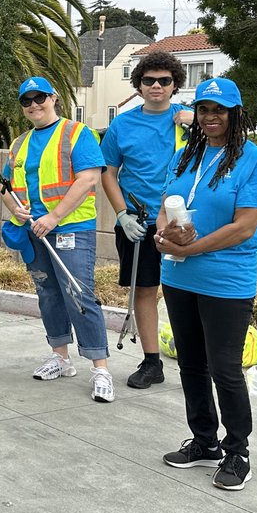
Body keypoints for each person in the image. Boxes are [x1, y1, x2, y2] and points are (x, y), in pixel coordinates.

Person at [155, 77, 257, 491]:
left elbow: (244, 226)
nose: (210, 118)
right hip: (179, 275)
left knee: (225, 368)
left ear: (235, 114)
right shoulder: (185, 156)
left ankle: (237, 451)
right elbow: (164, 207)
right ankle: (204, 441)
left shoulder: (255, 160)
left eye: (219, 110)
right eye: (204, 110)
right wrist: (163, 235)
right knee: (190, 363)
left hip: (226, 279)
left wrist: (193, 248)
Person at [2, 77, 114, 403]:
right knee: (47, 293)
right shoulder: (19, 144)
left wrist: (54, 217)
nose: (34, 105)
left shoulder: (77, 133)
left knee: (78, 294)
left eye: (40, 98)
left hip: (70, 229)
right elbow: (5, 188)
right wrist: (16, 209)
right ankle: (61, 358)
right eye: (27, 101)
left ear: (53, 98)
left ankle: (100, 369)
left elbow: (89, 178)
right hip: (33, 231)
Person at [100, 52, 192, 388]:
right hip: (139, 222)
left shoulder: (188, 122)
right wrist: (121, 214)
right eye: (149, 80)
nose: (156, 86)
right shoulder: (122, 125)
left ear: (174, 85)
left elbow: (225, 145)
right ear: (138, 85)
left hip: (181, 221)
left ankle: (197, 360)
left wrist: (195, 120)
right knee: (144, 291)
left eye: (164, 80)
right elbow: (108, 172)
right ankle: (152, 362)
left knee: (187, 289)